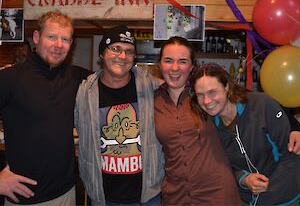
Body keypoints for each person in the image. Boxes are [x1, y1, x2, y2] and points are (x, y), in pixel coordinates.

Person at [0, 11, 90, 205]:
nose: (58, 45)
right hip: (23, 198)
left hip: (65, 194)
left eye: (65, 39)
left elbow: (116, 78)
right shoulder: (9, 78)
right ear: (36, 37)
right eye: (51, 37)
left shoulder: (75, 77)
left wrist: (164, 83)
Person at [74, 25, 164, 205]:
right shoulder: (84, 92)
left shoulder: (153, 87)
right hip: (102, 197)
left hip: (148, 197)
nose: (122, 56)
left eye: (129, 51)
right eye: (116, 49)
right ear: (102, 54)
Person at [190, 63, 300, 205]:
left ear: (227, 87)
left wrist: (267, 195)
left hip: (286, 198)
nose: (206, 101)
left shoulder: (261, 105)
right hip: (246, 200)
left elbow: (291, 155)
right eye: (200, 95)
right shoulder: (210, 126)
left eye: (212, 92)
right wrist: (243, 179)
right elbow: (222, 166)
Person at [154, 36, 241, 206]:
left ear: (192, 67)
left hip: (217, 194)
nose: (175, 68)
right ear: (160, 64)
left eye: (182, 61)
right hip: (176, 196)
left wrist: (293, 126)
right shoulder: (151, 100)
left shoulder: (205, 94)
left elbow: (249, 104)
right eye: (168, 60)